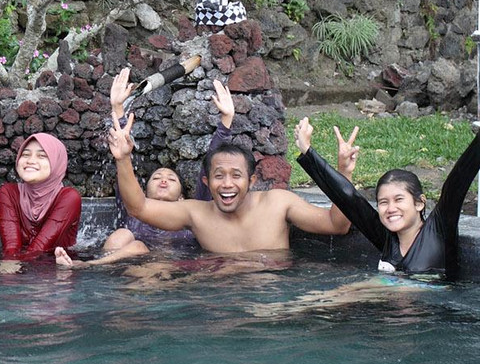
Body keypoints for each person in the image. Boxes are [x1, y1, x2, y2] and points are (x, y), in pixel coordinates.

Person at [105, 83, 353, 254]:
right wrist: (123, 158)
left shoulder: (278, 203)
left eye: (236, 175)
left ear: (252, 181)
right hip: (219, 304)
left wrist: (344, 173)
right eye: (218, 176)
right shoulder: (196, 214)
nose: (226, 184)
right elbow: (138, 207)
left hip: (271, 303)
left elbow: (337, 226)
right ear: (206, 182)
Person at [56, 72, 235, 268]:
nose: (163, 180)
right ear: (143, 192)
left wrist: (226, 122)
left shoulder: (193, 214)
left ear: (182, 197)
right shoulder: (133, 211)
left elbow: (211, 168)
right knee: (125, 237)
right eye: (156, 178)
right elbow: (123, 158)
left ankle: (88, 266)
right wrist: (117, 108)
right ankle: (96, 267)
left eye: (171, 179)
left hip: (178, 273)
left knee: (138, 246)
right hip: (131, 269)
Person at [295, 117, 480, 279]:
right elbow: (350, 200)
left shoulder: (439, 229)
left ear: (419, 203)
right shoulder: (386, 237)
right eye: (383, 202)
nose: (391, 208)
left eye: (399, 199)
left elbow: (459, 179)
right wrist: (307, 151)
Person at [0, 133, 81, 262]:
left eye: (42, 156)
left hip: (58, 265)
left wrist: (13, 266)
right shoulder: (8, 192)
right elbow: (10, 248)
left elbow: (39, 249)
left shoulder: (69, 197)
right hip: (22, 262)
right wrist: (8, 267)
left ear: (56, 163)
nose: (30, 161)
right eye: (25, 154)